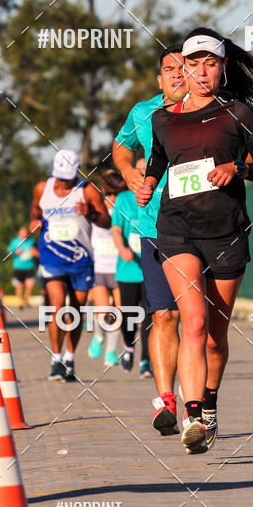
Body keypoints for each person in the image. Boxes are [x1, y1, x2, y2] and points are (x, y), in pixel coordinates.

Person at [137, 28, 253, 453]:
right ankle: (194, 415)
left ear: (221, 68)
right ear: (183, 67)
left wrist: (237, 168)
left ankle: (211, 402)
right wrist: (147, 182)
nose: (202, 72)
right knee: (193, 322)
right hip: (177, 228)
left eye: (211, 64)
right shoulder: (163, 117)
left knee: (216, 335)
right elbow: (160, 158)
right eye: (194, 64)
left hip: (226, 233)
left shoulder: (239, 114)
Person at [112, 44, 187, 435]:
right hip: (153, 228)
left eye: (183, 67)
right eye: (169, 69)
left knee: (198, 323)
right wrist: (128, 174)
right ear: (160, 79)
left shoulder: (208, 112)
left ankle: (199, 403)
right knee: (164, 315)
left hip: (202, 229)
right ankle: (166, 402)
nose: (177, 74)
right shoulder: (144, 112)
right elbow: (121, 147)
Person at [30, 148, 110, 381]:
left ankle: (69, 358)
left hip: (81, 259)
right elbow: (35, 209)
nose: (64, 183)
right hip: (52, 256)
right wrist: (34, 220)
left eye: (68, 179)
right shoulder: (41, 188)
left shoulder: (88, 190)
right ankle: (55, 358)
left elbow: (106, 221)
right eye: (60, 177)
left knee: (75, 310)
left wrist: (90, 213)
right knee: (56, 306)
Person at [111, 158, 151, 377]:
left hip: (151, 267)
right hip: (128, 268)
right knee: (128, 316)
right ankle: (128, 347)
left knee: (149, 317)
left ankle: (146, 360)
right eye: (140, 171)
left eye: (148, 171)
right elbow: (116, 229)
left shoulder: (156, 196)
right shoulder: (124, 199)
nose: (144, 175)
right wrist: (122, 248)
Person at [87, 169, 124, 367]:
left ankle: (111, 352)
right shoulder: (96, 212)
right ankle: (99, 336)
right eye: (109, 194)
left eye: (116, 194)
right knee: (102, 312)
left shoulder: (124, 211)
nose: (112, 198)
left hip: (118, 270)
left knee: (119, 313)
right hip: (99, 269)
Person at [7, 227, 38, 308]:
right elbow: (9, 252)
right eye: (23, 233)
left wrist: (34, 252)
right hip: (18, 267)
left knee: (30, 284)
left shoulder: (31, 241)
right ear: (19, 234)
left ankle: (26, 299)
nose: (24, 235)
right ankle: (21, 301)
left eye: (26, 233)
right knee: (19, 286)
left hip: (29, 267)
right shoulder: (15, 241)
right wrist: (15, 252)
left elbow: (36, 251)